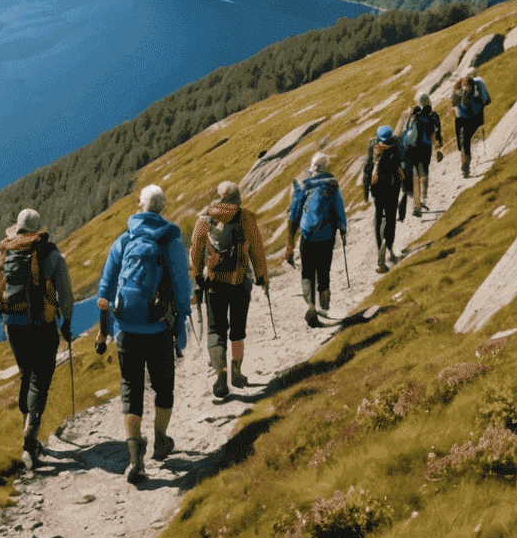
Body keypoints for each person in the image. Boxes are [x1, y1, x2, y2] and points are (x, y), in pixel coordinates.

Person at [95, 184, 191, 484]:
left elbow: (105, 290)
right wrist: (182, 321)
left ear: (140, 205)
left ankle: (136, 460)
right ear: (162, 208)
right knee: (163, 388)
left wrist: (104, 330)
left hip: (127, 331)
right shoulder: (171, 243)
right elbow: (182, 291)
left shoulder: (123, 241)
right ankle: (161, 440)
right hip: (160, 330)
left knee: (131, 391)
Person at [0, 208, 74, 472]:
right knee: (41, 378)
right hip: (42, 326)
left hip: (13, 326)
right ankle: (31, 434)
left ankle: (28, 430)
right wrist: (66, 324)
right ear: (38, 229)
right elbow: (66, 295)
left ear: (18, 228)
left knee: (26, 374)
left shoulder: (6, 251)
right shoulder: (51, 254)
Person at [189, 180, 269, 400]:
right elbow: (257, 249)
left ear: (219, 196)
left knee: (216, 329)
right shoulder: (246, 217)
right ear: (237, 197)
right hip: (240, 280)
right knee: (237, 329)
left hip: (214, 282)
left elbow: (195, 250)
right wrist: (262, 275)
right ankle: (237, 372)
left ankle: (220, 373)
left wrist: (197, 275)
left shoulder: (205, 218)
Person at [285, 152, 347, 328]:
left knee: (307, 271)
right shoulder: (332, 185)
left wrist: (289, 243)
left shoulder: (305, 186)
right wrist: (343, 228)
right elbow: (339, 208)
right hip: (326, 235)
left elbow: (294, 215)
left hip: (307, 236)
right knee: (324, 269)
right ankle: (323, 304)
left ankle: (311, 306)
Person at [363, 124, 404, 273]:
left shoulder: (373, 146)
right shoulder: (395, 145)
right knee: (390, 219)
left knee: (379, 217)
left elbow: (367, 168)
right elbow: (401, 163)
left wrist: (365, 191)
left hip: (376, 190)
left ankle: (385, 252)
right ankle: (386, 255)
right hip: (392, 188)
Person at [402, 92, 442, 217]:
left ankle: (417, 205)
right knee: (423, 174)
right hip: (425, 148)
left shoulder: (411, 113)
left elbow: (404, 131)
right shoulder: (431, 114)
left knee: (415, 176)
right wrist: (437, 148)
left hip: (411, 148)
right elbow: (433, 133)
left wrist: (409, 116)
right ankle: (423, 199)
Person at [452, 72, 492, 177]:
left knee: (465, 141)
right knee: (465, 141)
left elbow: (455, 105)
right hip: (474, 118)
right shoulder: (477, 84)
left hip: (467, 119)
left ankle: (465, 168)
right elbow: (487, 101)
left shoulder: (460, 89)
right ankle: (465, 167)